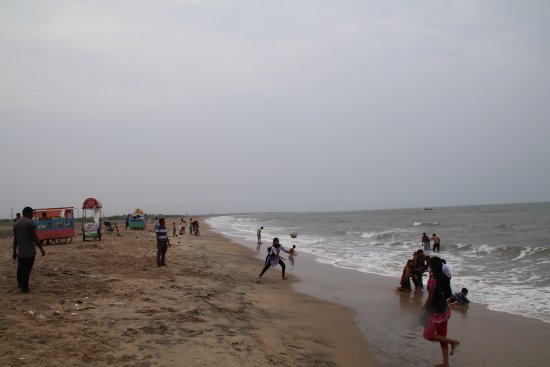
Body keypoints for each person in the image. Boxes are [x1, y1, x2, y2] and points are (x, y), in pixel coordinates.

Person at [422, 256, 460, 367]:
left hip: (436, 312)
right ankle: (446, 363)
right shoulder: (445, 277)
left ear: (431, 267)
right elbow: (448, 294)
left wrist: (423, 308)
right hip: (445, 310)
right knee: (441, 337)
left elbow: (430, 298)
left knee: (427, 335)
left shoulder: (433, 279)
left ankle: (452, 342)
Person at [12, 207, 46, 293]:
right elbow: (35, 238)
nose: (32, 215)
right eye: (32, 213)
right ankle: (25, 288)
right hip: (29, 252)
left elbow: (15, 240)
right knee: (27, 270)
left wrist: (14, 251)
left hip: (21, 252)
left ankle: (20, 284)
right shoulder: (30, 223)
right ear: (28, 213)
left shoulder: (16, 224)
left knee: (20, 268)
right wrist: (41, 249)